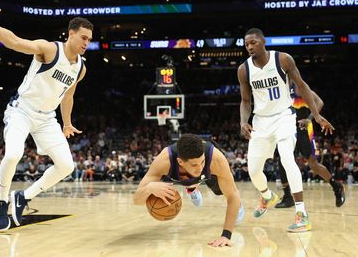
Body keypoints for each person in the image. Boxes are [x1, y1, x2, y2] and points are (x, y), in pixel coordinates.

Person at [0, 0, 93, 231]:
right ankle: (2, 201)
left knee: (66, 166)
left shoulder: (81, 68)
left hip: (47, 118)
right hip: (22, 110)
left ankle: (24, 197)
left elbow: (68, 96)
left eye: (89, 39)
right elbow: (15, 42)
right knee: (14, 153)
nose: (86, 43)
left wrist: (67, 123)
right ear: (71, 34)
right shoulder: (49, 49)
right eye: (83, 38)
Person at [238, 28, 334, 232]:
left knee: (287, 159)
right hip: (261, 122)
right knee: (254, 170)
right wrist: (243, 122)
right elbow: (245, 101)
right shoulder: (243, 69)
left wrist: (315, 115)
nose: (249, 47)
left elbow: (302, 86)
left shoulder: (283, 60)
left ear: (263, 42)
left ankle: (302, 215)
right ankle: (267, 196)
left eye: (253, 42)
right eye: (246, 44)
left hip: (283, 116)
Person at [133, 134, 242, 247]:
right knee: (164, 184)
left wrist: (226, 235)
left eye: (202, 162)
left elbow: (233, 195)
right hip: (176, 174)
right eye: (194, 165)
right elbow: (137, 201)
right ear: (180, 162)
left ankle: (193, 188)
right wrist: (149, 188)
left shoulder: (215, 159)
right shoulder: (164, 161)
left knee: (221, 191)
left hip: (209, 173)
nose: (200, 168)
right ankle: (192, 188)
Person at [275, 86, 345, 208]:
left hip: (303, 130)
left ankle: (336, 186)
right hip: (287, 129)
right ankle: (287, 196)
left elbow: (319, 102)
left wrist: (309, 118)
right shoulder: (280, 88)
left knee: (313, 164)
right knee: (282, 160)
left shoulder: (297, 87)